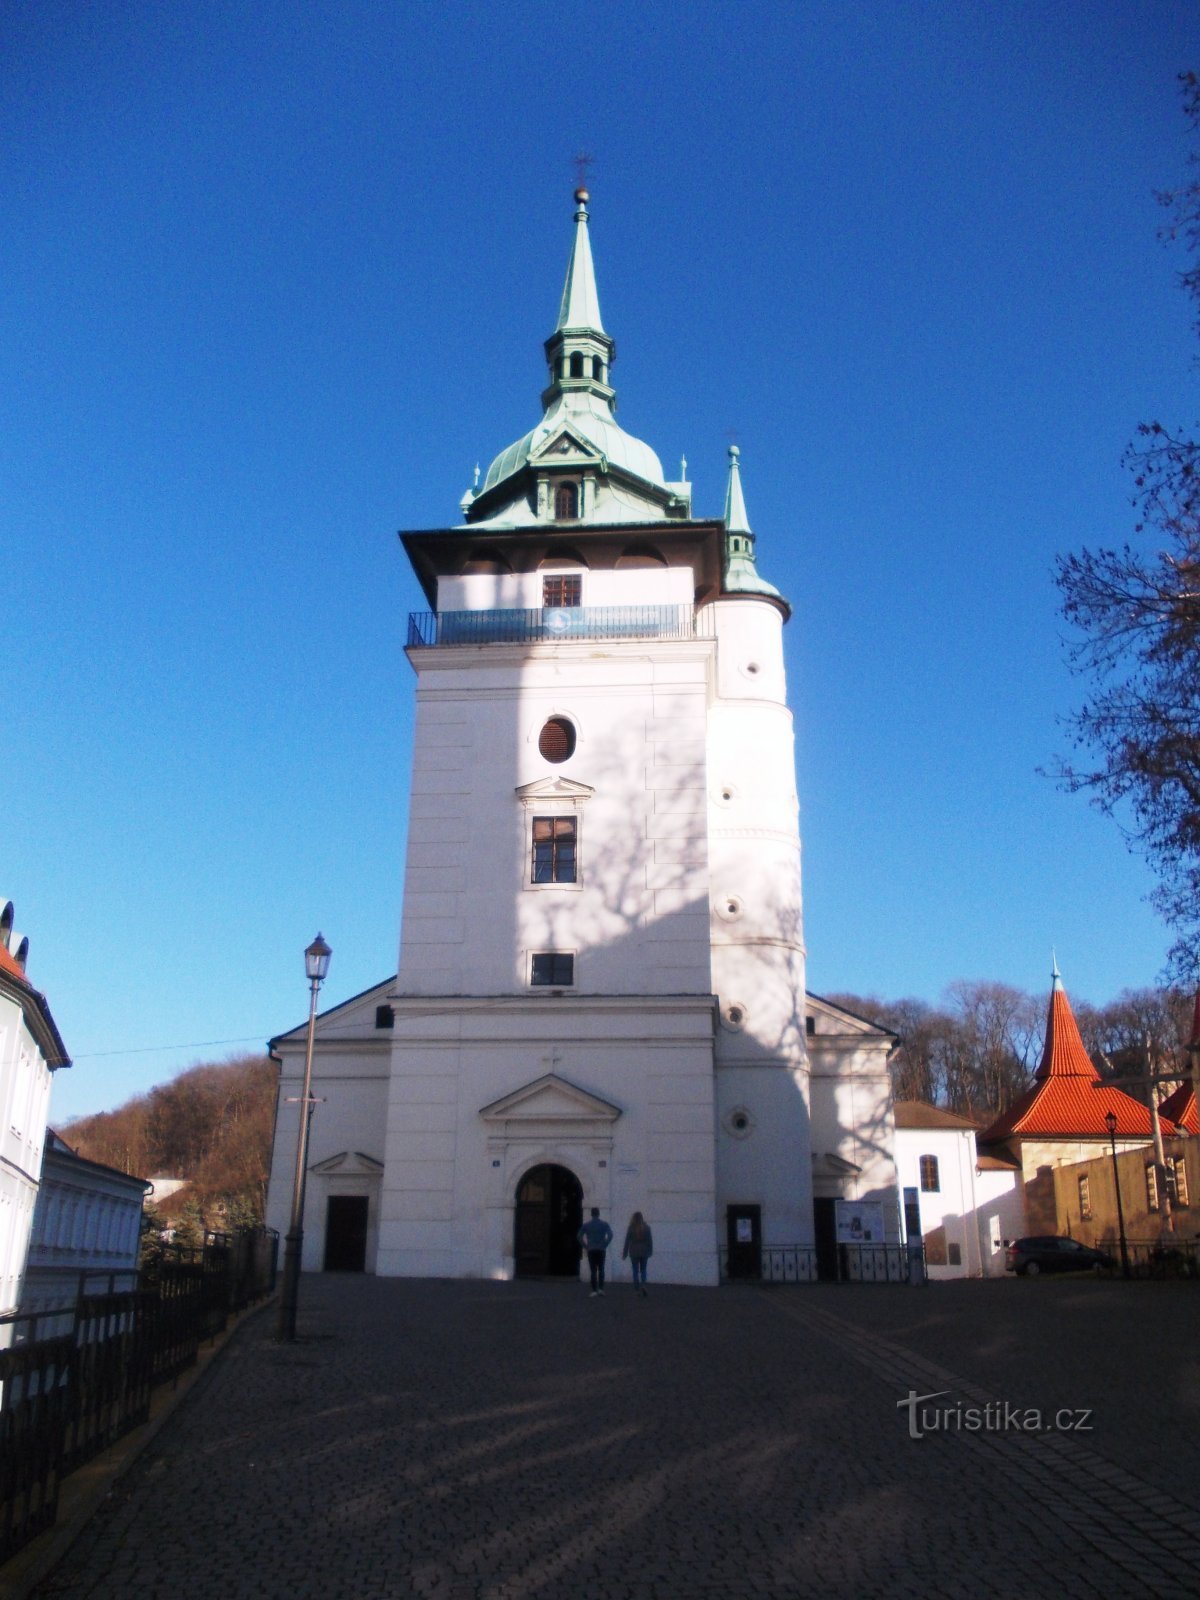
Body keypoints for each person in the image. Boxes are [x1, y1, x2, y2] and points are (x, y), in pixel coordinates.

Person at [578, 1207, 613, 1296]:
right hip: (601, 1249)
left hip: (591, 1249)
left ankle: (594, 1290)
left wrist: (586, 1246)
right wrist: (605, 1244)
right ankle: (601, 1289)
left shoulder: (587, 1225)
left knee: (593, 1270)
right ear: (598, 1214)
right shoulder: (604, 1224)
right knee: (601, 1269)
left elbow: (579, 1236)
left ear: (591, 1214)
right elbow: (610, 1235)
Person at [622, 1211, 653, 1297]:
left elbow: (627, 1241)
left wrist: (624, 1253)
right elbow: (650, 1241)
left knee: (635, 1271)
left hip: (634, 1251)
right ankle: (643, 1285)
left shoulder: (631, 1228)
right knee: (643, 1270)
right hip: (644, 1251)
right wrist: (650, 1251)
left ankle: (636, 1290)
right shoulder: (647, 1228)